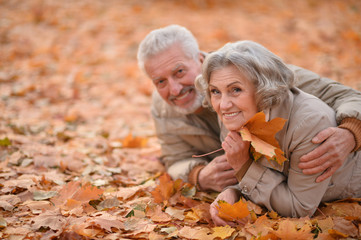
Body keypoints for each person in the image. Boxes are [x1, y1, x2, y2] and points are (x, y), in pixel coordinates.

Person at [137, 24, 361, 192]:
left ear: (199, 59)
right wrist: (198, 175)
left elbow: (350, 96)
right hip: (263, 188)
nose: (174, 89)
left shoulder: (252, 72)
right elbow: (174, 159)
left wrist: (351, 133)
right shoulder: (163, 109)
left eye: (179, 72)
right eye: (160, 82)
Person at [194, 40, 361, 221]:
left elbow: (299, 207)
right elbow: (260, 175)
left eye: (235, 90)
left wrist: (244, 167)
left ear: (262, 89)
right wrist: (233, 192)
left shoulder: (309, 124)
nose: (223, 105)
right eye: (215, 91)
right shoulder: (233, 116)